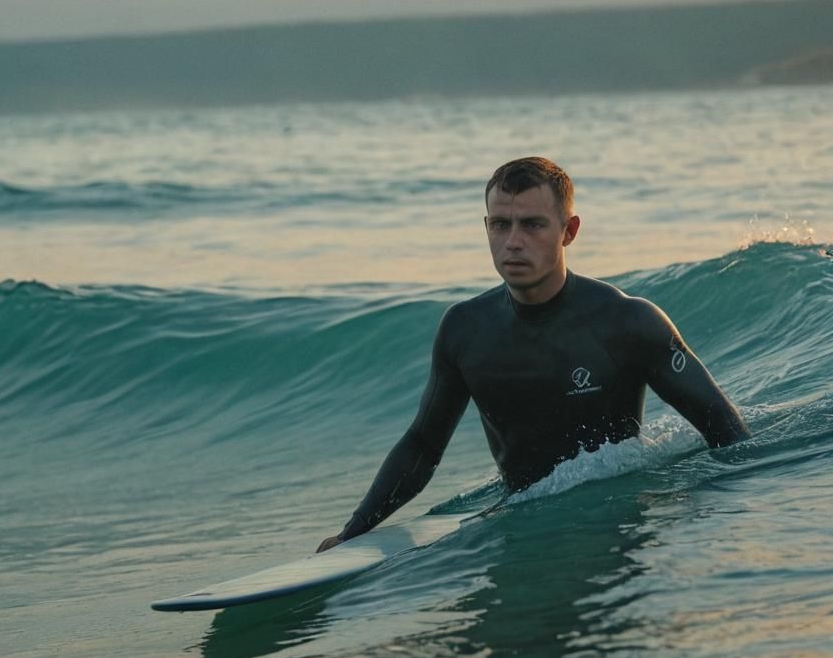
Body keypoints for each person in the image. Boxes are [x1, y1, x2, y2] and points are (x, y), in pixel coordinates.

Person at [317, 156, 749, 552]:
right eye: (500, 225)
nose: (513, 242)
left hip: (613, 530)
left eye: (532, 225)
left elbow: (728, 433)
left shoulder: (628, 322)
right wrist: (353, 532)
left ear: (569, 230)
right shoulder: (464, 330)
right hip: (520, 530)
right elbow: (423, 446)